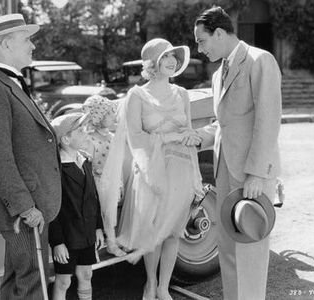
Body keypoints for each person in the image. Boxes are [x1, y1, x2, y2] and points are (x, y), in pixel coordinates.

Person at [99, 38, 204, 300]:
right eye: (166, 57)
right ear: (152, 63)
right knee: (154, 231)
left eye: (174, 57)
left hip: (181, 167)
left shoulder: (182, 94)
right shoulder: (137, 95)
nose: (172, 61)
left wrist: (191, 141)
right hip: (151, 170)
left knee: (173, 232)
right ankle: (150, 283)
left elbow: (188, 129)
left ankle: (164, 287)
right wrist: (165, 142)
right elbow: (135, 137)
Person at [193, 6, 282, 300]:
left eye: (201, 41)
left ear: (219, 33)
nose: (199, 48)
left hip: (250, 175)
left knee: (250, 251)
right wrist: (197, 138)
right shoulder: (219, 73)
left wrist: (256, 173)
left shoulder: (260, 60)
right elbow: (225, 124)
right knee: (229, 250)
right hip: (224, 171)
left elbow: (267, 121)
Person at [0, 14, 61, 299]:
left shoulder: (9, 84)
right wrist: (25, 207)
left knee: (16, 283)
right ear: (6, 44)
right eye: (27, 39)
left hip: (31, 206)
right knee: (33, 283)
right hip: (24, 211)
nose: (33, 46)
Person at [49, 112, 105, 300]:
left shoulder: (84, 160)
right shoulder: (57, 169)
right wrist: (57, 242)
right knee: (64, 281)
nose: (86, 133)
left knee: (86, 274)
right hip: (67, 236)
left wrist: (98, 227)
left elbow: (93, 197)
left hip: (87, 232)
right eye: (80, 130)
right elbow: (53, 207)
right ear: (65, 139)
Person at [81, 95, 126, 257]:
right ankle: (94, 245)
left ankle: (112, 243)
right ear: (98, 117)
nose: (113, 115)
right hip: (96, 183)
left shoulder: (112, 138)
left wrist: (119, 182)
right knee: (96, 214)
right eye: (109, 113)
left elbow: (117, 163)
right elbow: (87, 165)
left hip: (111, 183)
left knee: (110, 213)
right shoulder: (89, 140)